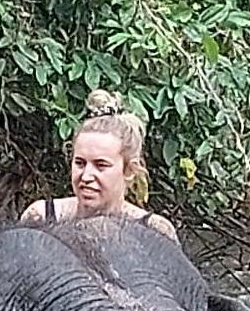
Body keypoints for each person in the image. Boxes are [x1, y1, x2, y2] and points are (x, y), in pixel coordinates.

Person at [27, 97, 173, 235]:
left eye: (101, 165)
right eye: (80, 163)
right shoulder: (41, 217)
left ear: (128, 170)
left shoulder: (155, 231)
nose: (86, 176)